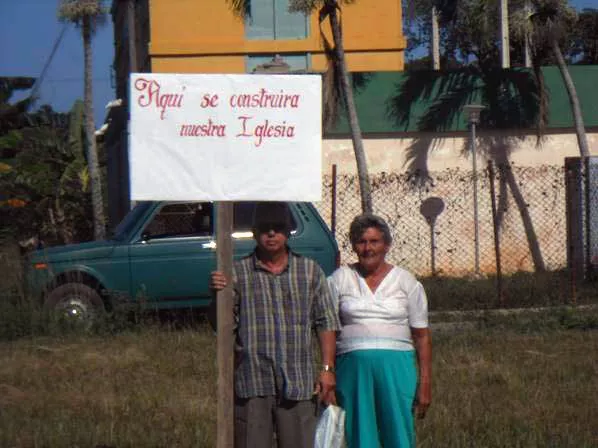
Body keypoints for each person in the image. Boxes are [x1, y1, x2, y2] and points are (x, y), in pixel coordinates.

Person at [209, 202, 340, 448]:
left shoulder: (310, 271)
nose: (271, 234)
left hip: (298, 382)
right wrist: (217, 295)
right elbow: (222, 327)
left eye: (278, 228)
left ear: (288, 232)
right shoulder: (237, 273)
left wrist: (327, 369)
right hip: (253, 381)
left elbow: (326, 322)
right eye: (265, 228)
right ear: (255, 233)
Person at [328, 213, 432, 448]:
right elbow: (328, 330)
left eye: (374, 241)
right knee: (360, 433)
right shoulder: (340, 279)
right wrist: (328, 371)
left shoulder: (406, 281)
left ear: (386, 245)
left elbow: (422, 336)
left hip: (397, 368)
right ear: (354, 246)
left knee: (398, 432)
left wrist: (425, 382)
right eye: (361, 242)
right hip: (353, 369)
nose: (368, 248)